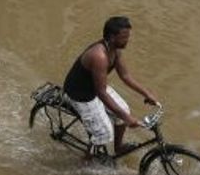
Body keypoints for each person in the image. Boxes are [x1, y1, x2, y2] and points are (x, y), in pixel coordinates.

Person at [63, 16, 160, 156]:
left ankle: (118, 148)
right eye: (124, 37)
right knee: (104, 133)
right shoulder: (99, 57)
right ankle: (86, 161)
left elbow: (125, 76)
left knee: (124, 110)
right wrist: (127, 118)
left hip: (95, 87)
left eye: (128, 36)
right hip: (82, 94)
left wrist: (146, 93)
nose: (127, 40)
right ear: (112, 37)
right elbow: (101, 93)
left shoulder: (116, 51)